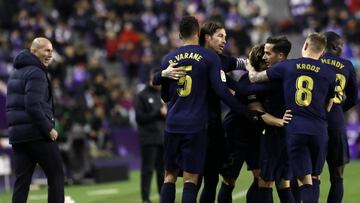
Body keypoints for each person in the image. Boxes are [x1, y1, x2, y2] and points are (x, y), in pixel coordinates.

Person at [158, 16, 248, 203]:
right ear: (200, 34)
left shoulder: (168, 58)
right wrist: (245, 111)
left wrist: (161, 75)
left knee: (169, 176)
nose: (224, 40)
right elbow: (222, 90)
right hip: (198, 125)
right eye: (220, 36)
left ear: (179, 34)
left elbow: (165, 96)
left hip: (172, 124)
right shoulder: (210, 57)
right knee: (193, 179)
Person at [247, 33, 336, 203]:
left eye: (268, 53)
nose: (265, 57)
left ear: (304, 46)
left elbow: (253, 81)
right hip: (318, 130)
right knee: (309, 178)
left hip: (292, 129)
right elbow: (329, 105)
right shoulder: (329, 73)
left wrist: (248, 66)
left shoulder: (288, 67)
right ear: (323, 52)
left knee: (283, 180)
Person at [218, 43, 292, 203]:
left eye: (268, 56)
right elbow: (257, 110)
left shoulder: (269, 79)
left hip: (255, 136)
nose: (267, 61)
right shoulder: (248, 81)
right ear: (259, 62)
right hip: (236, 135)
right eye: (264, 59)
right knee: (229, 180)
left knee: (261, 178)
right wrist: (279, 122)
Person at [6, 37, 64, 203]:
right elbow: (32, 106)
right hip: (37, 134)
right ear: (34, 51)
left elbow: (12, 107)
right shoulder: (36, 73)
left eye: (51, 51)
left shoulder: (15, 73)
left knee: (21, 183)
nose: (50, 54)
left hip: (18, 136)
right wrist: (48, 128)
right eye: (46, 50)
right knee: (56, 176)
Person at [321, 31, 358, 203]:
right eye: (341, 44)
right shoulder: (347, 65)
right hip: (335, 122)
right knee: (337, 176)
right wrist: (338, 109)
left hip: (314, 121)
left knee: (310, 176)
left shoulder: (314, 61)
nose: (343, 47)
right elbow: (353, 98)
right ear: (334, 45)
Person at [135, 68, 166, 203]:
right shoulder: (142, 96)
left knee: (162, 171)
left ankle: (162, 197)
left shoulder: (162, 95)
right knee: (147, 170)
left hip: (162, 138)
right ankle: (145, 199)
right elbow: (139, 117)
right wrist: (158, 113)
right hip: (148, 138)